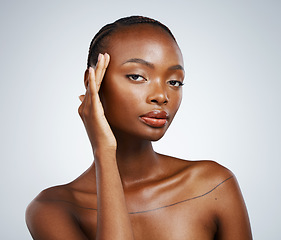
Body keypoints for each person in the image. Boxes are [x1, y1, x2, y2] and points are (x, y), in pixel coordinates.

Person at [25, 16, 252, 240]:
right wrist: (104, 151)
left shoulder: (212, 186)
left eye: (174, 81)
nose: (162, 96)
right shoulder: (52, 209)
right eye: (137, 76)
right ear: (92, 83)